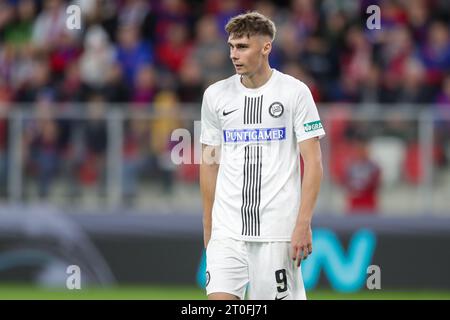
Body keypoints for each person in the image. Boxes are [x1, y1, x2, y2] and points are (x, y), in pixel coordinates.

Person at [199, 11, 325, 300]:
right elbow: (208, 163)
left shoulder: (295, 93)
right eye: (231, 46)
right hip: (227, 231)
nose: (234, 54)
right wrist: (209, 226)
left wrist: (303, 223)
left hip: (277, 232)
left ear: (266, 47)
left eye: (242, 46)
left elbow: (314, 162)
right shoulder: (215, 96)